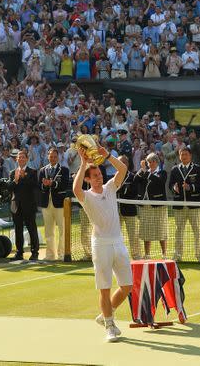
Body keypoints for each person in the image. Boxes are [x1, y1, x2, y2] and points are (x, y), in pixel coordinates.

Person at [72, 144, 132, 343]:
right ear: (88, 179)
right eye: (94, 175)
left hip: (118, 242)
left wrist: (108, 156)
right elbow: (75, 188)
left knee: (127, 286)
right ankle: (109, 325)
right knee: (104, 288)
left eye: (99, 174)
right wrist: (83, 164)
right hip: (101, 245)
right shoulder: (86, 196)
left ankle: (106, 313)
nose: (99, 177)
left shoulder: (110, 188)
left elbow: (122, 169)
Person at [170, 147, 200, 262]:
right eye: (181, 154)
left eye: (185, 154)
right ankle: (178, 255)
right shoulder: (175, 169)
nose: (183, 156)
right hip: (179, 205)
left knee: (198, 231)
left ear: (190, 156)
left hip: (194, 205)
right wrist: (174, 188)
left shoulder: (197, 169)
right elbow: (170, 184)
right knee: (178, 231)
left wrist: (191, 187)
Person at [38, 147, 70, 262]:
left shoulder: (64, 170)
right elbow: (39, 187)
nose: (52, 158)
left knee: (62, 230)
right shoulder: (42, 170)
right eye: (51, 156)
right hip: (46, 204)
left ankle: (62, 254)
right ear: (48, 157)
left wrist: (53, 183)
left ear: (58, 157)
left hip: (60, 203)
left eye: (55, 156)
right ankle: (50, 255)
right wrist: (45, 185)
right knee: (48, 231)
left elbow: (65, 185)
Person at [134, 153, 168, 259]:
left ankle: (164, 254)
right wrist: (142, 170)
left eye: (153, 161)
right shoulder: (144, 172)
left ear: (157, 162)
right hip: (145, 205)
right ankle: (147, 254)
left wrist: (146, 173)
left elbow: (159, 181)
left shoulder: (162, 172)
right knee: (146, 230)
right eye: (149, 162)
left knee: (160, 229)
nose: (150, 163)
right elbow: (136, 180)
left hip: (158, 205)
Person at [9, 149, 40, 261]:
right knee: (18, 230)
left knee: (32, 229)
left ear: (27, 159)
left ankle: (34, 252)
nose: (21, 159)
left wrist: (24, 177)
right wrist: (16, 180)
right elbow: (9, 188)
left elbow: (35, 186)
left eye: (23, 157)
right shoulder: (12, 172)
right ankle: (19, 252)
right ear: (16, 159)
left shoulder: (32, 172)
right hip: (16, 205)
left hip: (29, 205)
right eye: (19, 157)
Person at [117, 155, 142, 260]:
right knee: (116, 236)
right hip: (116, 211)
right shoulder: (113, 177)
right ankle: (117, 256)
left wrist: (123, 191)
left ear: (127, 164)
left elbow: (134, 193)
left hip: (130, 211)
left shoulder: (133, 177)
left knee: (133, 235)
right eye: (119, 162)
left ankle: (136, 256)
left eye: (123, 162)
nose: (121, 164)